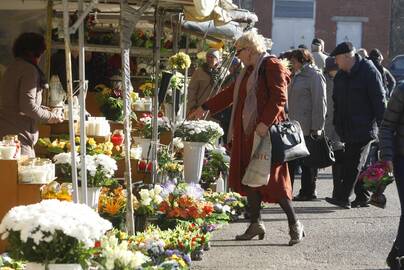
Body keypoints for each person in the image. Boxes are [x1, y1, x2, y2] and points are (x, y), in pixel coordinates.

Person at [188, 31, 304, 245]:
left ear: (249, 50)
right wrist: (205, 106)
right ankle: (255, 223)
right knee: (249, 178)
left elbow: (280, 97)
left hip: (265, 133)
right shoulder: (249, 70)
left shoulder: (272, 66)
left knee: (274, 182)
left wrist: (264, 123)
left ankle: (295, 224)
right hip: (247, 133)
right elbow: (231, 93)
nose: (238, 56)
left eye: (239, 51)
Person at [325, 42, 386, 209]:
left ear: (347, 56)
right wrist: (337, 124)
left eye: (337, 58)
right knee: (356, 163)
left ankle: (343, 198)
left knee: (353, 162)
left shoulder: (368, 70)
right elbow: (336, 102)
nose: (335, 62)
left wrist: (384, 129)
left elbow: (379, 100)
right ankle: (362, 197)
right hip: (346, 128)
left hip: (364, 127)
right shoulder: (341, 76)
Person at [0, 32, 63, 157]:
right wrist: (51, 116)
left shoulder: (13, 67)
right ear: (35, 52)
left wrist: (44, 110)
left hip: (8, 133)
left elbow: (16, 102)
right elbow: (27, 106)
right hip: (18, 137)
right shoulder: (29, 70)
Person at [287, 49, 327, 201]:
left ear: (302, 60)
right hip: (292, 126)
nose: (292, 64)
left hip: (307, 126)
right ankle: (287, 190)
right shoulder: (295, 75)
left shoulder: (314, 75)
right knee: (290, 160)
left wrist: (317, 126)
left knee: (308, 163)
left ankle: (308, 191)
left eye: (294, 61)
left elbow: (320, 102)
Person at [379, 83, 404, 269]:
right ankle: (399, 256)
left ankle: (396, 253)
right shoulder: (402, 89)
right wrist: (387, 155)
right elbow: (387, 126)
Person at [324, 56, 344, 199]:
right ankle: (337, 191)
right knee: (332, 160)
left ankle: (338, 191)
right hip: (327, 124)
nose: (334, 72)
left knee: (339, 160)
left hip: (340, 126)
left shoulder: (343, 79)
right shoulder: (324, 80)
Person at [186, 48, 222, 115]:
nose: (209, 59)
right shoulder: (199, 72)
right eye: (207, 57)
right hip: (199, 109)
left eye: (212, 57)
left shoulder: (223, 72)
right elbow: (192, 89)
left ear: (217, 60)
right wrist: (193, 106)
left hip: (216, 111)